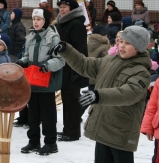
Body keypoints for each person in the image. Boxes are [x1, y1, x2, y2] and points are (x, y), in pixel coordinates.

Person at [49, 26, 152, 163]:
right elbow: (84, 64)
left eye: (128, 43)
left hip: (120, 132)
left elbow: (128, 93)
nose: (122, 46)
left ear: (139, 48)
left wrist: (98, 95)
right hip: (103, 128)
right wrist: (66, 50)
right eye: (121, 42)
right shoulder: (109, 60)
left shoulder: (141, 72)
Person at [16, 8, 65, 156]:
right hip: (32, 82)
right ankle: (34, 141)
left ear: (46, 20)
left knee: (47, 114)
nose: (36, 22)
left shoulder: (53, 37)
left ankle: (50, 143)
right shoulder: (30, 36)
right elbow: (26, 55)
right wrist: (22, 62)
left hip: (46, 83)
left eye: (39, 19)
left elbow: (60, 59)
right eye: (34, 19)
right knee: (33, 114)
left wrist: (47, 66)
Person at [55, 0, 87, 142]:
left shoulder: (76, 24)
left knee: (72, 101)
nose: (61, 9)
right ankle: (67, 129)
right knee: (66, 100)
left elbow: (80, 49)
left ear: (72, 9)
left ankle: (73, 132)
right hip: (64, 67)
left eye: (65, 7)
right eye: (60, 7)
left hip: (73, 68)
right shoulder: (61, 23)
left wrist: (76, 70)